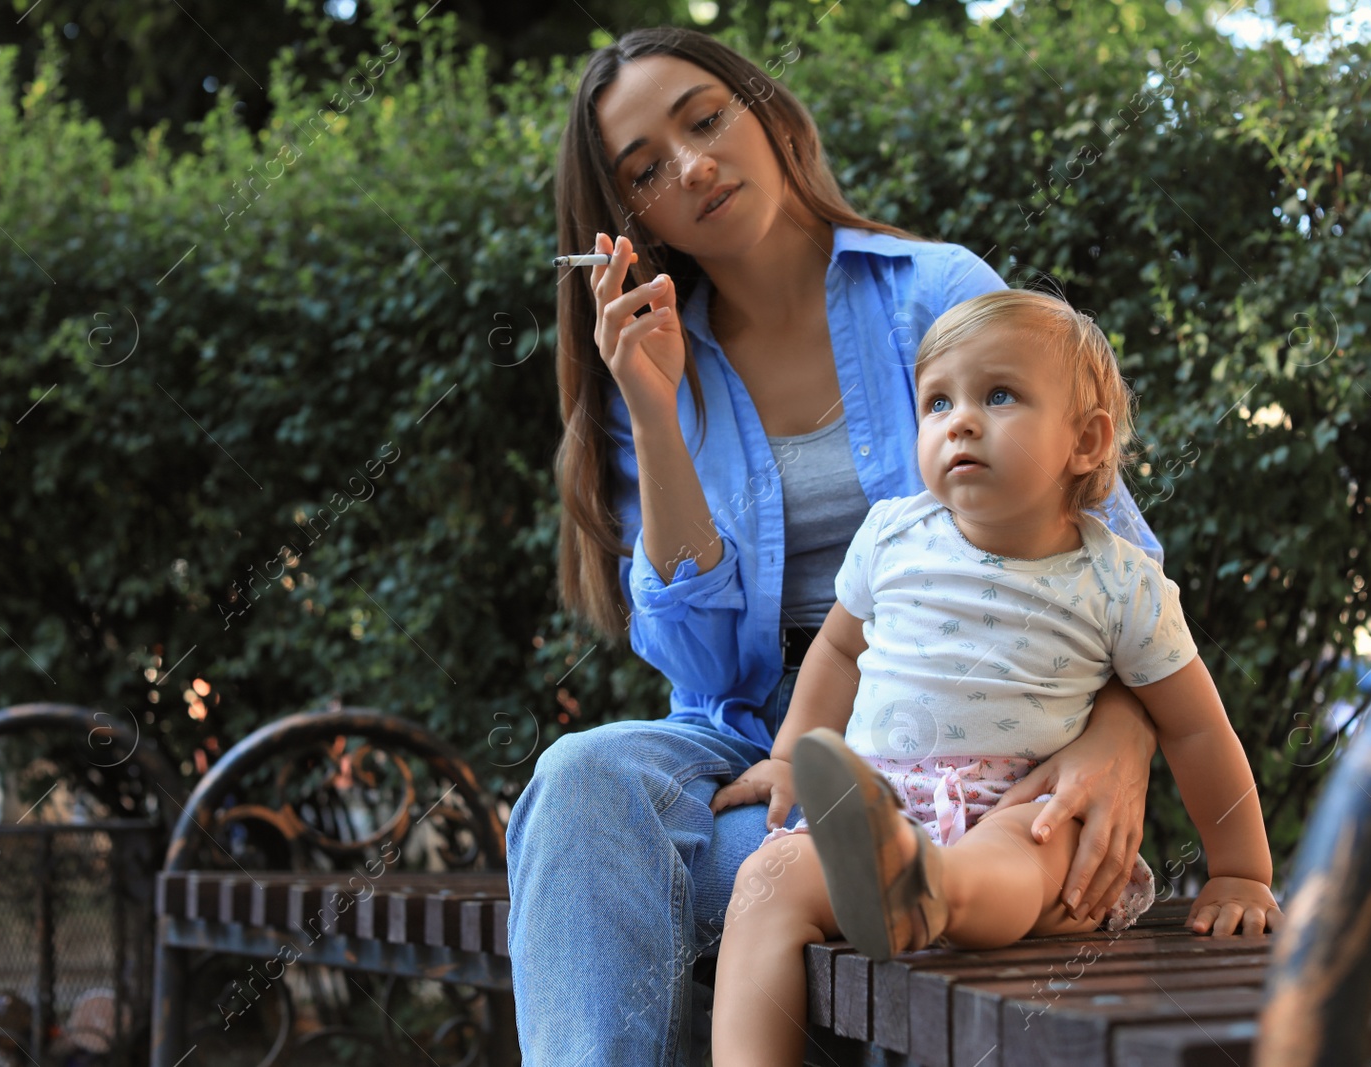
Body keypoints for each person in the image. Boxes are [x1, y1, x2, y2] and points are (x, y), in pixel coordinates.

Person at [507, 25, 1167, 1066]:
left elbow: (1119, 560)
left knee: (703, 886)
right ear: (627, 223)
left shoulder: (935, 291)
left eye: (704, 118)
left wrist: (1118, 742)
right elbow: (705, 671)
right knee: (581, 779)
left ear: (765, 111)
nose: (692, 166)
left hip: (965, 756)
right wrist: (655, 409)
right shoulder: (652, 369)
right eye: (645, 170)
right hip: (760, 749)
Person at [709, 290, 1284, 1066]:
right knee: (767, 879)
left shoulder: (1118, 583)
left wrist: (1242, 870)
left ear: (1086, 441)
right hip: (882, 807)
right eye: (937, 401)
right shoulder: (892, 537)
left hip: (1028, 806)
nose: (961, 420)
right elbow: (839, 651)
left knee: (1018, 851)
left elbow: (1195, 727)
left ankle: (929, 885)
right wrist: (787, 753)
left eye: (999, 395)